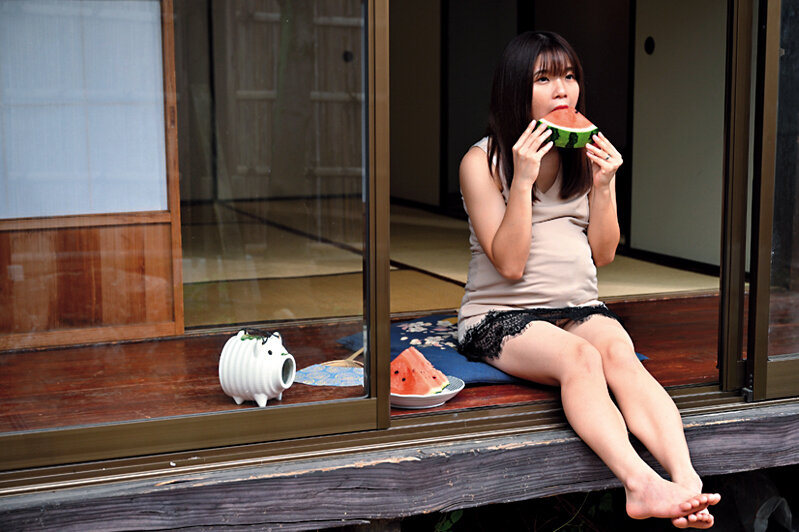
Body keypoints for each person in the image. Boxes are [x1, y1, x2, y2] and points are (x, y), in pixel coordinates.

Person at [456, 31, 721, 529]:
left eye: (570, 76)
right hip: (500, 316)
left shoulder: (582, 152)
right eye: (544, 78)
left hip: (578, 306)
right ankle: (639, 484)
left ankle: (687, 482)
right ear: (514, 89)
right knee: (580, 358)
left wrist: (605, 185)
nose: (563, 90)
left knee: (619, 353)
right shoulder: (482, 161)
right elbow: (509, 265)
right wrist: (522, 179)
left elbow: (604, 253)